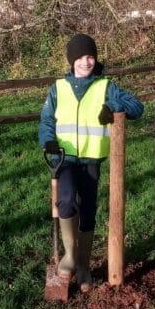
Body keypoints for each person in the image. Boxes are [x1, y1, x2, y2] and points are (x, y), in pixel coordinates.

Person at [39, 33, 144, 293]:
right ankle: (70, 256)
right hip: (63, 158)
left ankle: (84, 265)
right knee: (65, 201)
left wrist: (112, 105)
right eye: (80, 57)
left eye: (90, 57)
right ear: (72, 60)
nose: (86, 62)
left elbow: (137, 107)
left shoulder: (106, 85)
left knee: (87, 210)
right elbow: (46, 121)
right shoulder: (58, 88)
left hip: (92, 158)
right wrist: (48, 141)